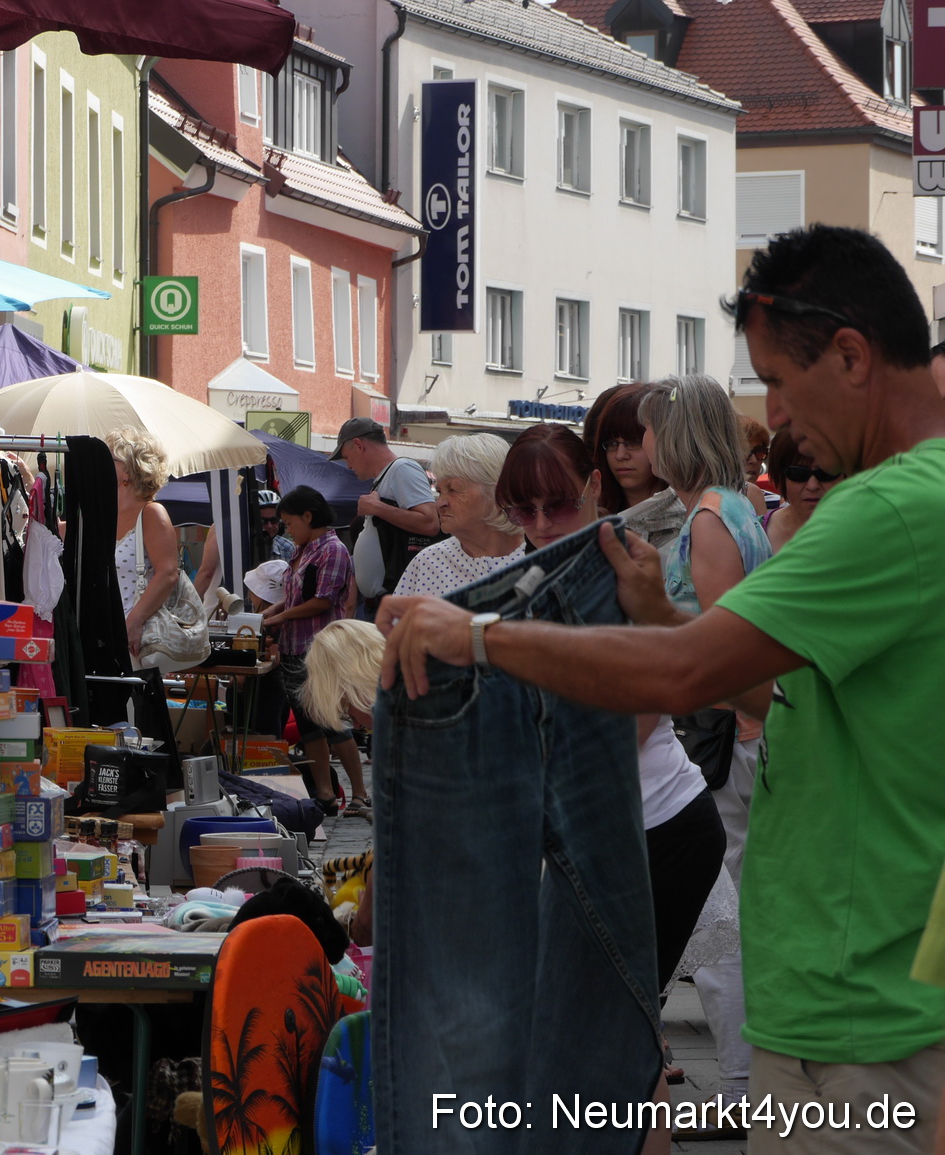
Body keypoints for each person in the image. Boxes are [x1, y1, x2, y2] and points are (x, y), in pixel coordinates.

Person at [377, 224, 945, 1154]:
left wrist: (479, 636)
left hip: (867, 1020)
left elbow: (688, 677)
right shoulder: (878, 500)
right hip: (839, 1003)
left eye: (782, 381)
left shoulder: (889, 508)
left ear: (851, 354)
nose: (780, 417)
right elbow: (763, 695)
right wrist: (658, 615)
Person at [498, 423, 724, 1005]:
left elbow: (629, 725)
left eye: (561, 505)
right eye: (525, 510)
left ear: (594, 486)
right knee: (606, 1027)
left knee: (614, 1025)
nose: (544, 526)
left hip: (657, 829)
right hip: (600, 831)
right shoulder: (522, 586)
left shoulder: (629, 574)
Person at [641, 374, 773, 1108]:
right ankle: (750, 1081)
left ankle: (748, 1086)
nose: (646, 444)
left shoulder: (712, 519)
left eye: (653, 428)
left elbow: (720, 643)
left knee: (721, 929)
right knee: (729, 921)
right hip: (733, 736)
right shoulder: (731, 509)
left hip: (723, 739)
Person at [261, 485, 368, 817]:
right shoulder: (301, 549)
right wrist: (270, 612)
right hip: (295, 647)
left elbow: (321, 601)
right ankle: (325, 794)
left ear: (308, 517)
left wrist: (280, 615)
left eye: (290, 523)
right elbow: (294, 597)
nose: (287, 529)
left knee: (333, 723)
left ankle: (360, 795)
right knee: (309, 727)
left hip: (321, 650)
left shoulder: (332, 550)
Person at [329, 416, 439, 618]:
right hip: (387, 602)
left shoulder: (402, 468)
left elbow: (430, 522)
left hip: (399, 602)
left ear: (359, 445)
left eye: (346, 458)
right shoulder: (388, 475)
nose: (349, 466)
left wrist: (378, 508)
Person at [392, 433, 524, 597]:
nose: (440, 503)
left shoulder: (541, 558)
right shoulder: (429, 562)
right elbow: (396, 622)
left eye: (453, 489)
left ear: (498, 492)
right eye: (439, 492)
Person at [106, 427, 182, 669]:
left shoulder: (151, 512)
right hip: (105, 633)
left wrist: (134, 622)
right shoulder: (105, 513)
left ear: (128, 470)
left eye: (110, 459)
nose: (102, 464)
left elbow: (168, 572)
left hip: (134, 637)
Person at [586, 383, 686, 550]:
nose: (620, 455)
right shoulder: (590, 514)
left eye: (632, 442)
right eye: (611, 444)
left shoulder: (688, 514)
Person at [761, 427, 842, 552]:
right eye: (798, 473)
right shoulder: (756, 535)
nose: (813, 485)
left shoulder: (871, 531)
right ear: (781, 475)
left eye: (826, 472)